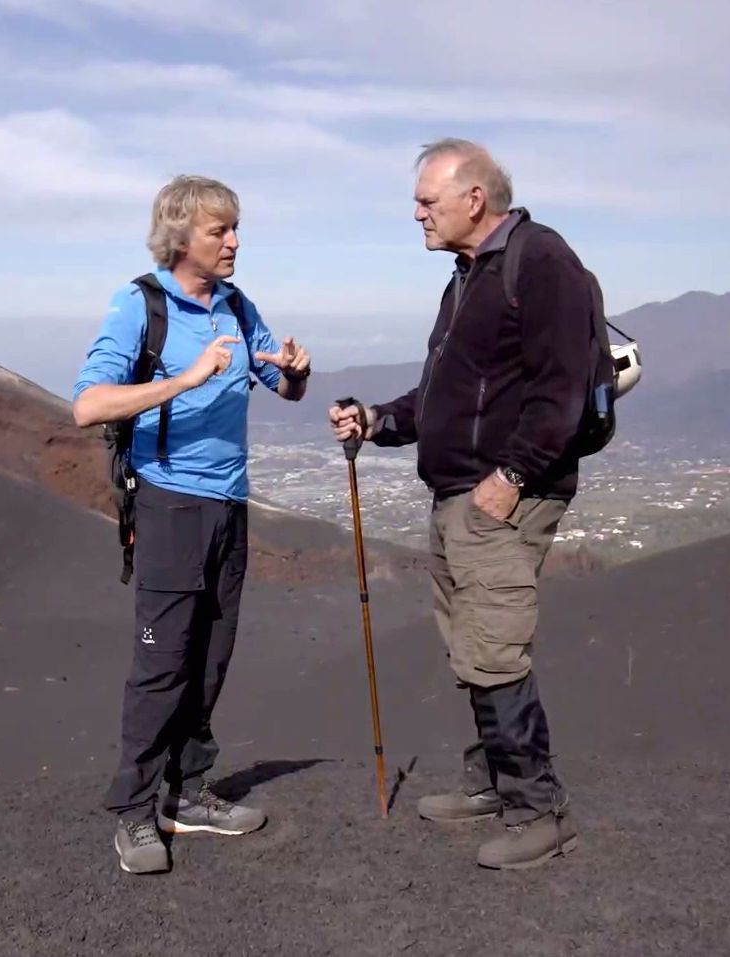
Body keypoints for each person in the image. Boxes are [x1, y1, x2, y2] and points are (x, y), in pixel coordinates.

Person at [327, 138, 594, 870]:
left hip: (502, 497)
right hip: (459, 494)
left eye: (425, 200)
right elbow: (449, 393)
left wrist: (509, 477)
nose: (415, 212)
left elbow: (561, 388)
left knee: (493, 648)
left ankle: (539, 811)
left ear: (473, 198)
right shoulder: (471, 275)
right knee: (471, 647)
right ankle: (492, 784)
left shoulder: (539, 262)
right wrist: (379, 419)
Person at [73, 174, 312, 875]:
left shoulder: (236, 305)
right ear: (181, 236)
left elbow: (283, 384)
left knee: (210, 653)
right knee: (162, 663)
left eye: (236, 227)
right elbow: (88, 405)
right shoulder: (139, 305)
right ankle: (134, 811)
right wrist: (184, 380)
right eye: (220, 230)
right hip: (168, 505)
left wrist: (296, 371)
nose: (235, 241)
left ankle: (188, 790)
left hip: (229, 505)